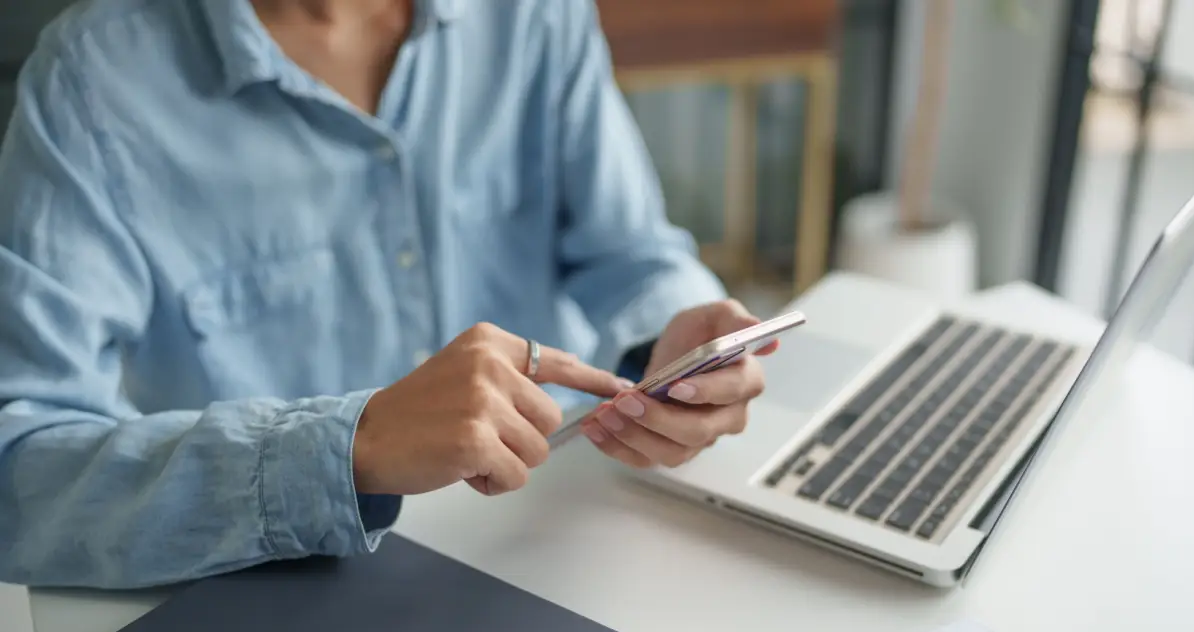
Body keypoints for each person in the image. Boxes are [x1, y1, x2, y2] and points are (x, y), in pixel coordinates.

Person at [0, 0, 776, 589]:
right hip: (278, 599)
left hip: (561, 541)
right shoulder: (95, 83)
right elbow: (18, 469)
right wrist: (345, 448)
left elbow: (633, 252)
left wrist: (672, 347)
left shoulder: (533, 13)